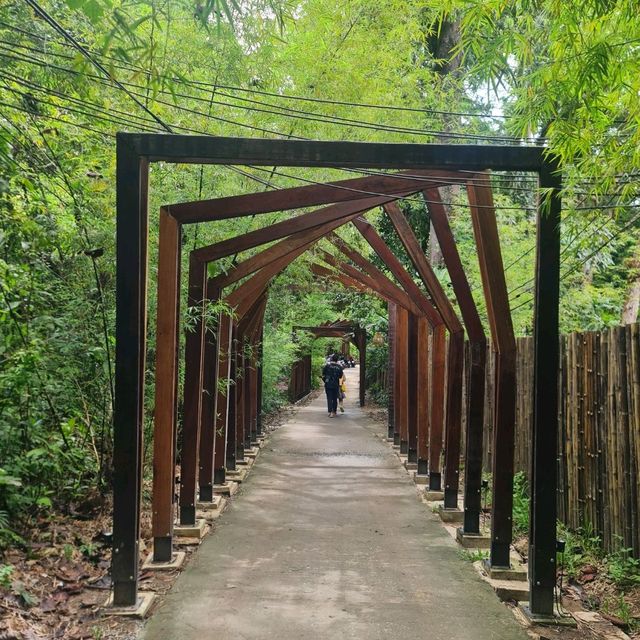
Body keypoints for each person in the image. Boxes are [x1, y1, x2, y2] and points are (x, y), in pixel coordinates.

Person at [322, 354, 344, 418]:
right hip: (335, 385)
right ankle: (334, 412)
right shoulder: (339, 367)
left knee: (329, 398)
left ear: (331, 359)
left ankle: (330, 411)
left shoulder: (327, 366)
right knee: (334, 398)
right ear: (337, 360)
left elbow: (323, 374)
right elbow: (340, 376)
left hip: (328, 384)